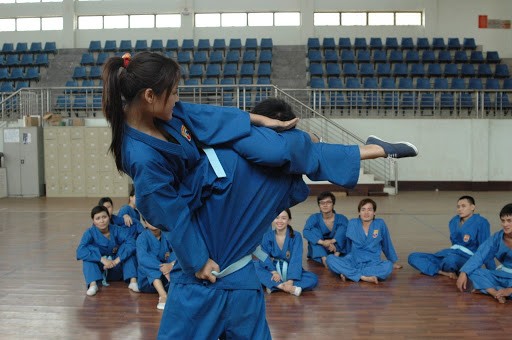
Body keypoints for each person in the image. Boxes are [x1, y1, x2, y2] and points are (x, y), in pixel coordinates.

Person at [102, 51, 418, 339]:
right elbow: (167, 211)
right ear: (149, 96)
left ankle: (369, 149)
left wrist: (259, 120)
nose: (178, 99)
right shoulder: (144, 154)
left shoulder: (172, 115)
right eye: (173, 94)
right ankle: (370, 149)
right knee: (278, 150)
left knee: (274, 149)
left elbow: (210, 117)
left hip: (216, 277)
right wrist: (197, 259)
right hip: (208, 258)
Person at [408, 196, 494, 279]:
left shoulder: (482, 222)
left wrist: (492, 271)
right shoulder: (454, 221)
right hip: (448, 253)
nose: (460, 209)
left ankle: (452, 268)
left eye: (463, 206)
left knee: (451, 259)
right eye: (458, 207)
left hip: (466, 258)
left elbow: (486, 247)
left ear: (472, 207)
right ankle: (443, 272)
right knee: (413, 257)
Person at [326, 198, 402, 284]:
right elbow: (347, 243)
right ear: (359, 212)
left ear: (374, 212)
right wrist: (339, 252)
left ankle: (349, 274)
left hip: (372, 262)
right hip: (354, 260)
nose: (366, 213)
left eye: (369, 210)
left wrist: (392, 261)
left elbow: (386, 243)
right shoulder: (353, 223)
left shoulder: (380, 224)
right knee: (330, 259)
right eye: (363, 210)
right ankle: (363, 277)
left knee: (387, 266)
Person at [76, 205, 139, 296]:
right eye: (98, 218)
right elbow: (80, 251)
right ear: (93, 221)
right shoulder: (89, 232)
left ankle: (133, 282)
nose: (102, 221)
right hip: (101, 270)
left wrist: (117, 260)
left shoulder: (116, 229)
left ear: (109, 217)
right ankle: (93, 285)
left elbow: (132, 242)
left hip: (117, 267)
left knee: (128, 249)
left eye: (104, 217)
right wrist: (101, 259)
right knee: (88, 253)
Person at [254, 209, 318, 296]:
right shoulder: (267, 236)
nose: (279, 221)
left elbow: (296, 258)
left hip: (290, 270)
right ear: (273, 220)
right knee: (253, 265)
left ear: (289, 220)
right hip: (273, 270)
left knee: (313, 279)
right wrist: (274, 272)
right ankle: (284, 287)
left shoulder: (296, 236)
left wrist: (291, 280)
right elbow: (264, 256)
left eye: (283, 218)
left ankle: (274, 285)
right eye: (276, 218)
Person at [457, 203, 512, 303]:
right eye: (503, 221)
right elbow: (481, 254)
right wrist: (464, 272)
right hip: (502, 275)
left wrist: (509, 290)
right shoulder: (497, 237)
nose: (505, 224)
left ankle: (493, 290)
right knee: (473, 271)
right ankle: (495, 293)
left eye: (509, 221)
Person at [136, 221, 176, 310]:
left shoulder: (167, 234)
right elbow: (143, 259)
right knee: (147, 260)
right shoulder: (142, 237)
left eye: (155, 219)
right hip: (147, 281)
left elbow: (178, 252)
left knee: (176, 254)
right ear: (145, 223)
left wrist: (170, 265)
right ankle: (163, 295)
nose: (153, 222)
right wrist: (162, 267)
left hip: (167, 277)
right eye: (149, 220)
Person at [303, 191, 349, 267]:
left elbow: (346, 232)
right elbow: (306, 232)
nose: (325, 205)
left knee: (344, 228)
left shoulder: (341, 218)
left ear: (333, 204)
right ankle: (324, 258)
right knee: (313, 230)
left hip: (337, 249)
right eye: (322, 203)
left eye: (328, 202)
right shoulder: (314, 217)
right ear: (319, 205)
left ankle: (336, 256)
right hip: (319, 248)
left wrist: (332, 241)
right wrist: (323, 242)